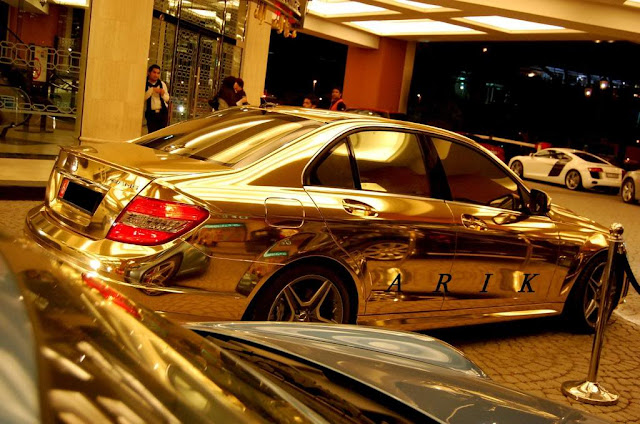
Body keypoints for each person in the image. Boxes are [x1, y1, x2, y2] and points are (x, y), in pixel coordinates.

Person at [144, 64, 170, 133]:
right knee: (152, 134)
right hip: (151, 113)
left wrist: (162, 94)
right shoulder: (144, 84)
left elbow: (167, 99)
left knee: (161, 134)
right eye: (154, 72)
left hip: (162, 113)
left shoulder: (162, 84)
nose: (156, 75)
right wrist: (152, 90)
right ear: (149, 73)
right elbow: (143, 98)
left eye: (158, 73)